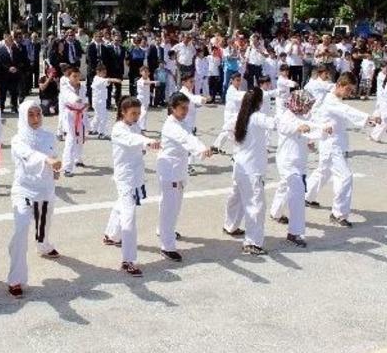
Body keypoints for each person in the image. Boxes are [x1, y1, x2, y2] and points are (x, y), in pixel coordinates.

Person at [7, 99, 63, 298]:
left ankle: (44, 246)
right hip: (23, 190)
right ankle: (15, 279)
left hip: (45, 190)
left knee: (43, 227)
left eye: (38, 113)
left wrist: (55, 171)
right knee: (21, 230)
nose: (36, 118)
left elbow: (54, 154)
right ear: (23, 116)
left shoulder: (49, 136)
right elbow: (28, 155)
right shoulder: (18, 139)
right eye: (30, 114)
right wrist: (47, 160)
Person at [305, 73, 375, 227]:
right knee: (345, 177)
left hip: (334, 143)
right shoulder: (331, 101)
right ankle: (338, 214)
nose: (349, 93)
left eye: (351, 90)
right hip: (332, 145)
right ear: (339, 85)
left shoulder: (334, 99)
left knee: (323, 172)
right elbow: (346, 111)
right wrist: (368, 117)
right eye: (348, 89)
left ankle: (307, 196)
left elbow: (342, 114)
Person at [103, 97, 161, 276]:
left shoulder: (134, 126)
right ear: (123, 113)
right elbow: (132, 139)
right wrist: (147, 141)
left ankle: (111, 235)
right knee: (129, 218)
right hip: (126, 178)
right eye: (133, 113)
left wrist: (149, 145)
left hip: (135, 176)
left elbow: (138, 142)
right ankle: (128, 260)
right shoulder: (119, 129)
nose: (136, 116)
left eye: (138, 113)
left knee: (120, 205)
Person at [268, 90, 332, 247]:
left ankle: (276, 213)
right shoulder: (286, 117)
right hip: (288, 163)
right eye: (307, 105)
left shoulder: (303, 117)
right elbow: (288, 128)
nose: (309, 108)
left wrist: (321, 132)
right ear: (298, 103)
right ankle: (294, 233)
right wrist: (300, 129)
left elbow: (310, 130)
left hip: (299, 162)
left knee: (284, 187)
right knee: (297, 195)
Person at [155, 93, 211, 261]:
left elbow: (190, 137)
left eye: (187, 108)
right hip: (170, 170)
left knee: (171, 205)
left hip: (178, 169)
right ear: (173, 109)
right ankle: (167, 246)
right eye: (182, 108)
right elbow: (186, 139)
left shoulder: (182, 122)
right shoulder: (172, 126)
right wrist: (201, 149)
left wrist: (200, 148)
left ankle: (163, 230)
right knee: (170, 208)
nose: (186, 111)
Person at [222, 88, 276, 255]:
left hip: (240, 166)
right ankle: (252, 243)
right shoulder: (257, 117)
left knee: (236, 198)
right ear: (259, 102)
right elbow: (276, 124)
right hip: (252, 170)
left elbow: (226, 130)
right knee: (256, 206)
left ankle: (230, 226)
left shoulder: (240, 116)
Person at [61, 67, 88, 177]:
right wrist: (76, 99)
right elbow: (68, 96)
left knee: (81, 137)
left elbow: (84, 98)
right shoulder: (65, 87)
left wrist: (86, 103)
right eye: (74, 76)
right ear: (69, 77)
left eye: (78, 76)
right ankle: (67, 167)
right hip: (70, 115)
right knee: (71, 139)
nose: (77, 78)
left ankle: (78, 159)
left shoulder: (82, 87)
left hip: (81, 113)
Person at [212, 72, 244, 154]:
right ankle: (238, 151)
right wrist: (248, 94)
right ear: (232, 81)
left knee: (227, 132)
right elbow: (239, 96)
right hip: (230, 115)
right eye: (237, 80)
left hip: (235, 114)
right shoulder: (231, 90)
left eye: (240, 80)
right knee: (230, 133)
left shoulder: (237, 89)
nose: (239, 82)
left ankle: (215, 147)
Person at [89, 65, 121, 139]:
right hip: (99, 102)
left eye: (105, 72)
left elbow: (106, 82)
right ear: (98, 72)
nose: (104, 74)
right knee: (103, 117)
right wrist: (115, 80)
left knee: (97, 116)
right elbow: (107, 80)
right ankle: (101, 133)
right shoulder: (97, 79)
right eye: (103, 72)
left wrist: (111, 80)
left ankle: (92, 129)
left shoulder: (100, 79)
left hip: (99, 102)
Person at [136, 66, 158, 131]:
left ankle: (142, 126)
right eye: (145, 71)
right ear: (140, 73)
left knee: (145, 114)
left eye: (147, 72)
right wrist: (153, 82)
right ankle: (138, 125)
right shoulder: (140, 81)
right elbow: (145, 83)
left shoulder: (148, 78)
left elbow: (147, 88)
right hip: (141, 99)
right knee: (143, 112)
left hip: (147, 99)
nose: (146, 73)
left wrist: (151, 94)